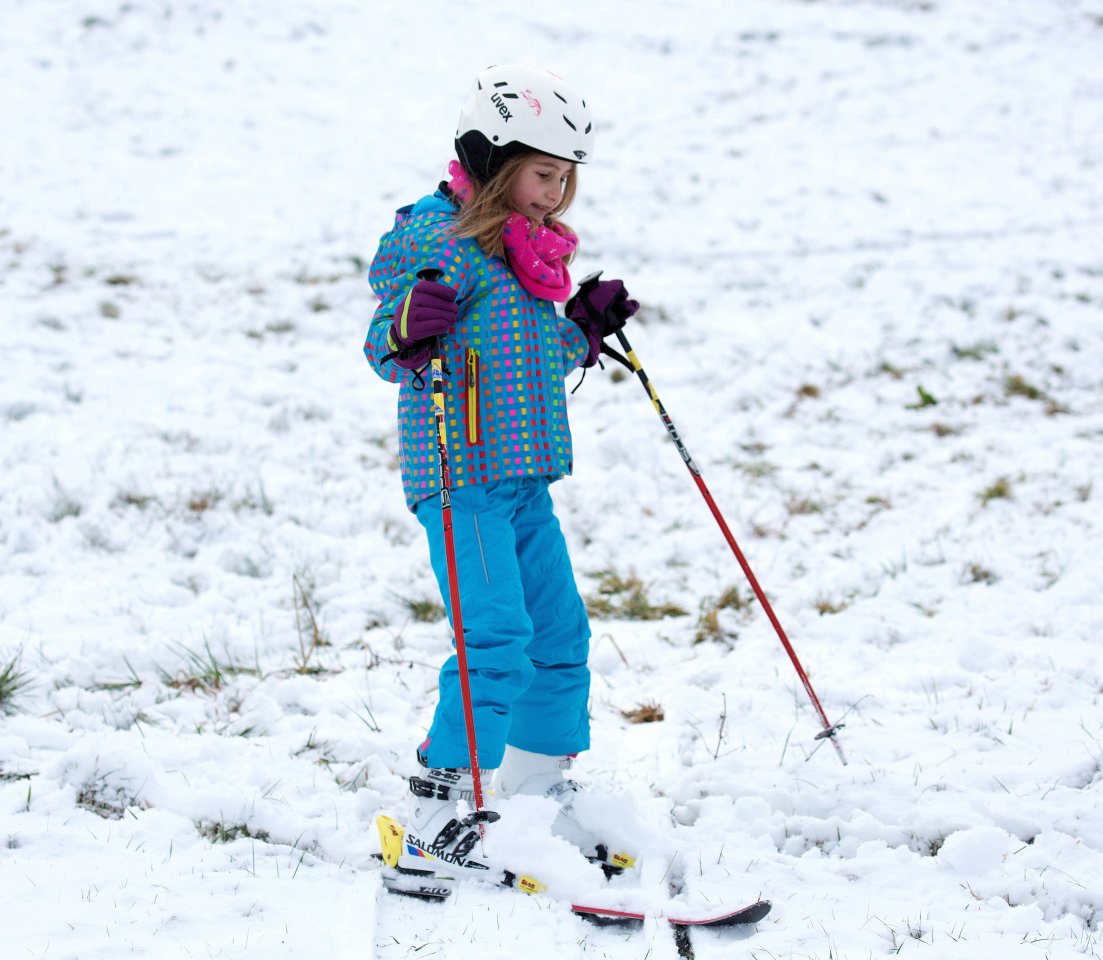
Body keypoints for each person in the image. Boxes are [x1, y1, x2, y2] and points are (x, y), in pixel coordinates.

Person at [363, 64, 639, 888]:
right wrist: (408, 326)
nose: (556, 193)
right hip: (458, 477)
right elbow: (385, 341)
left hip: (523, 480)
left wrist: (582, 332)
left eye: (565, 179)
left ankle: (532, 792)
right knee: (495, 642)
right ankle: (435, 814)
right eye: (543, 173)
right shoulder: (432, 237)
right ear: (490, 160)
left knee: (559, 638)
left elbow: (529, 360)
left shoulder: (528, 255)